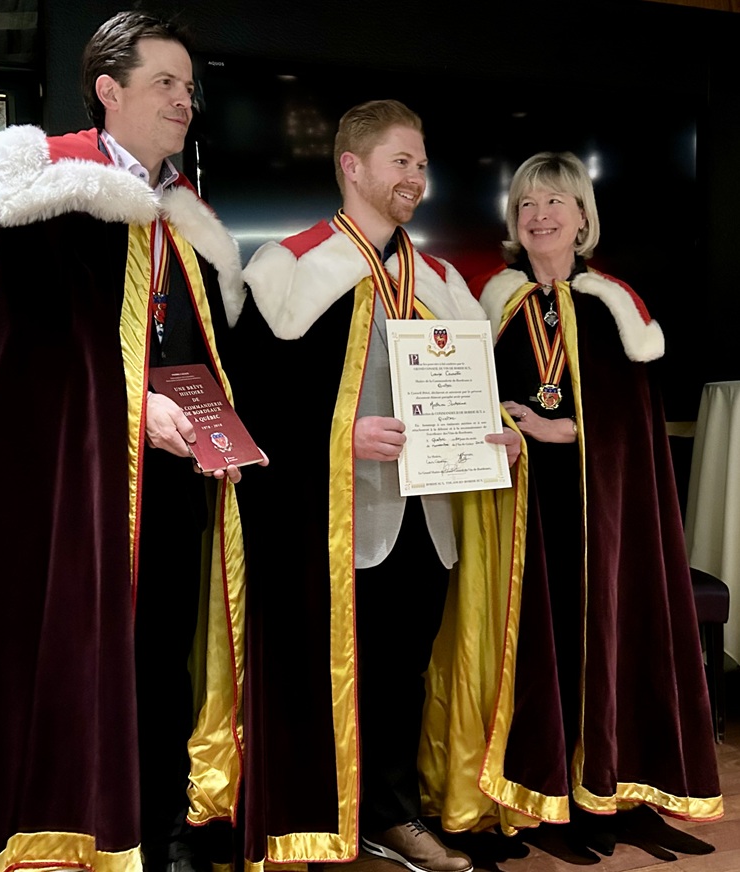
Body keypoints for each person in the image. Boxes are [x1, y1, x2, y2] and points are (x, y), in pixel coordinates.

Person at [0, 12, 251, 872]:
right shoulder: (48, 189)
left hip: (174, 486)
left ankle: (158, 829)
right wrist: (131, 409)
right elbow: (18, 366)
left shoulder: (186, 220)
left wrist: (214, 425)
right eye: (165, 83)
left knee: (163, 661)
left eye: (189, 87)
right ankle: (73, 829)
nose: (185, 101)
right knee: (77, 661)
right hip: (71, 494)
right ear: (108, 90)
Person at [229, 100, 523, 872]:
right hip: (332, 517)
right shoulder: (290, 268)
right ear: (352, 167)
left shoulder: (442, 280)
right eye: (401, 161)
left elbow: (475, 391)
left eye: (422, 163)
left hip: (429, 514)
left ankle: (391, 815)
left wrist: (496, 434)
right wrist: (342, 437)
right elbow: (250, 404)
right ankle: (313, 813)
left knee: (404, 672)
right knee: (318, 668)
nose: (417, 176)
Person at [472, 151, 722, 845]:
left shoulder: (616, 306)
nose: (539, 216)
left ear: (583, 217)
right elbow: (466, 394)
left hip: (602, 507)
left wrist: (569, 430)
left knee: (608, 633)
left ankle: (612, 790)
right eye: (526, 204)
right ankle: (546, 793)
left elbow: (634, 425)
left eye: (555, 201)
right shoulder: (492, 305)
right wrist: (503, 426)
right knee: (538, 644)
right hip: (521, 507)